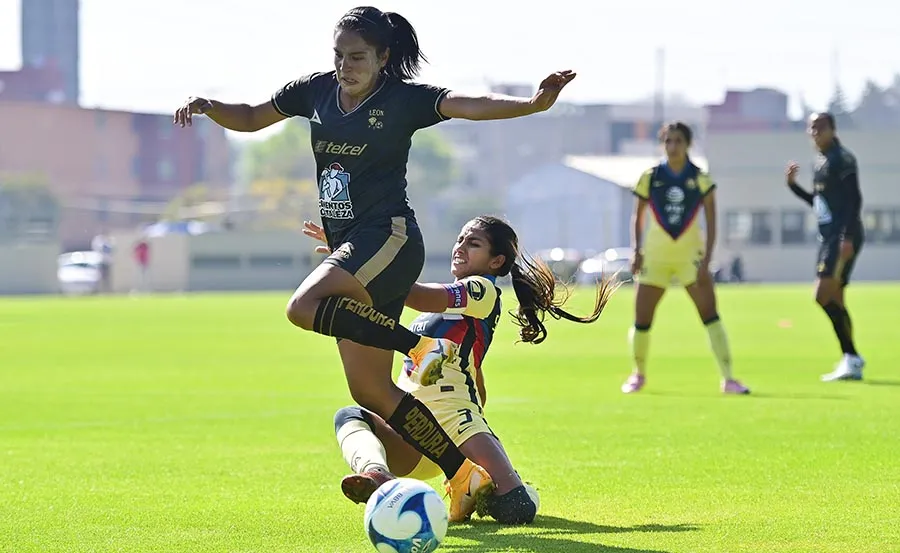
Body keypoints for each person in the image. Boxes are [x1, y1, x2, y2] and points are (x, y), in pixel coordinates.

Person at [174, 6, 576, 511]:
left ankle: (416, 346)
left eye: (357, 57)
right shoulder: (315, 91)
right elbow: (253, 117)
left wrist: (533, 104)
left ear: (383, 57)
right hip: (356, 245)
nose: (345, 66)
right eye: (339, 55)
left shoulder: (402, 100)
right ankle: (461, 475)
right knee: (370, 391)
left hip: (389, 237)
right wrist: (210, 105)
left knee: (301, 307)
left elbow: (469, 104)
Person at [304, 215, 618, 524]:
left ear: (496, 261)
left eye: (473, 243)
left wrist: (356, 261)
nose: (461, 247)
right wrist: (354, 262)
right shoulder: (454, 307)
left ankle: (492, 484)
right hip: (411, 426)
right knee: (350, 415)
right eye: (460, 239)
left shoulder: (483, 290)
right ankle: (378, 476)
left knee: (516, 508)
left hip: (457, 424)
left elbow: (419, 296)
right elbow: (475, 372)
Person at [623, 122, 750, 395]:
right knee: (642, 319)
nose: (673, 147)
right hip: (655, 257)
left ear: (688, 144)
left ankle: (729, 378)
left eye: (678, 141)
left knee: (711, 316)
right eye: (668, 141)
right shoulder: (650, 177)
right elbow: (638, 216)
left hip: (689, 258)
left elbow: (712, 221)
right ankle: (638, 374)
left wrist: (707, 260)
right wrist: (636, 250)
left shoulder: (700, 178)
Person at [786, 112, 865, 381]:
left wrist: (847, 237)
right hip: (830, 237)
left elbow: (855, 200)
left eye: (820, 127)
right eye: (811, 127)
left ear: (833, 129)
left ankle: (852, 356)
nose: (815, 132)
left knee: (821, 295)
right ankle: (850, 359)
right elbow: (819, 204)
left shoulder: (842, 159)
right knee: (837, 298)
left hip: (840, 237)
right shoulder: (820, 161)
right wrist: (793, 187)